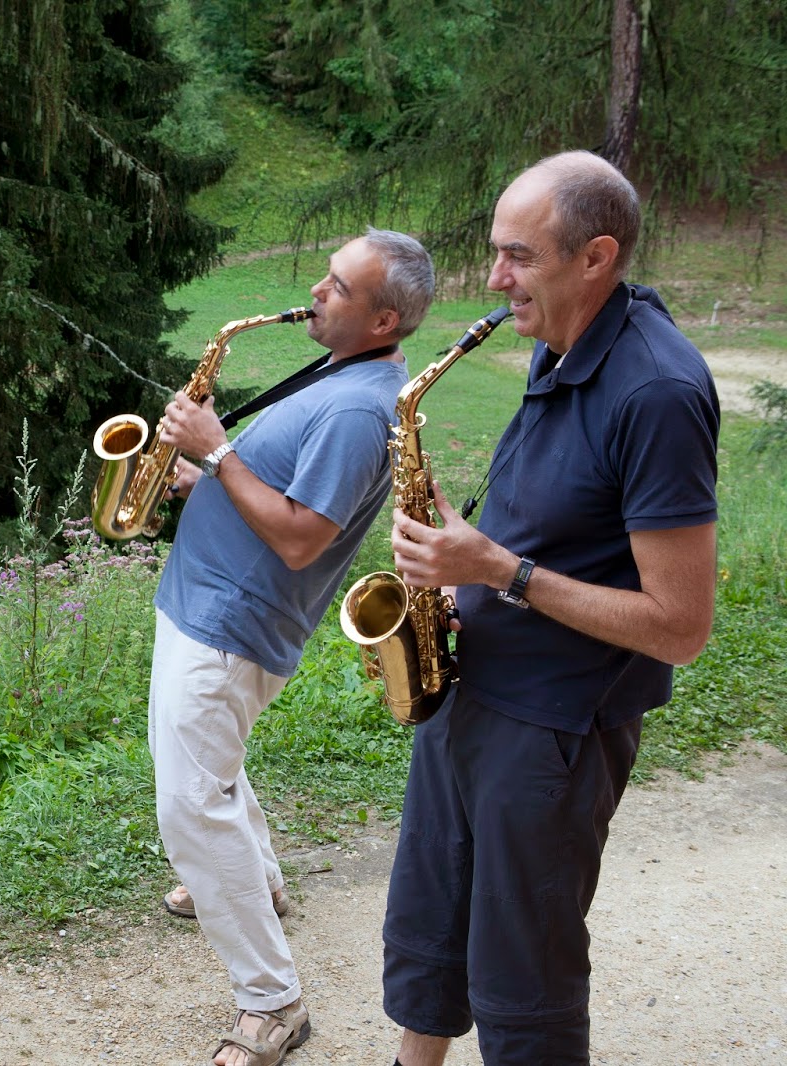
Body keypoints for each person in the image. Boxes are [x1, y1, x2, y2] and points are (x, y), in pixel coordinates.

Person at [383, 151, 719, 1065]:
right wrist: (457, 575)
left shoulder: (657, 393)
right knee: (433, 927)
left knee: (523, 981)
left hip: (555, 729)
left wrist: (499, 570)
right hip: (472, 693)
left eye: (518, 257)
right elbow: (558, 522)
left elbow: (682, 627)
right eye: (497, 253)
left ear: (595, 257)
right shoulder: (559, 339)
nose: (495, 280)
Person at [150, 229, 436, 1066]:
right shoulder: (341, 376)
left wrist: (218, 449)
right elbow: (283, 490)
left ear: (383, 319)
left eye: (339, 287)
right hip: (208, 608)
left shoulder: (357, 408)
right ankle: (258, 884)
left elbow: (306, 537)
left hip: (231, 627)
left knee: (190, 805)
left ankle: (272, 1004)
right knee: (213, 771)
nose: (317, 291)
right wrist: (212, 483)